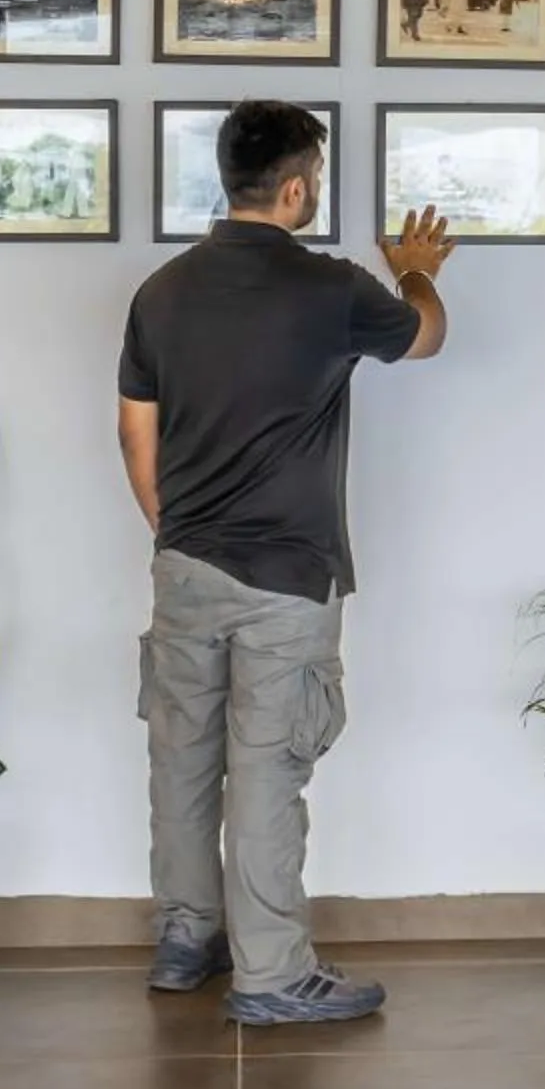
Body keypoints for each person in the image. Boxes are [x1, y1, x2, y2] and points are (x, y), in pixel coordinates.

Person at [116, 101, 454, 1025]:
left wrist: (176, 531)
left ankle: (187, 941)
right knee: (268, 771)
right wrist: (417, 274)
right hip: (288, 580)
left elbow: (133, 433)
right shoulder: (334, 290)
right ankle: (272, 976)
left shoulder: (163, 292)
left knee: (182, 760)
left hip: (183, 563)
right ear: (297, 186)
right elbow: (424, 336)